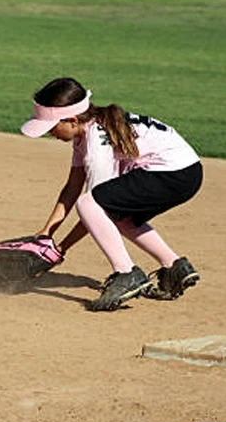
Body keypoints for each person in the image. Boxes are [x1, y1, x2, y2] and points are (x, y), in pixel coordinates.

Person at [20, 77, 203, 311]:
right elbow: (72, 186)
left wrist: (60, 249)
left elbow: (95, 208)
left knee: (91, 204)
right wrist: (47, 233)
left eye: (52, 127)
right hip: (184, 171)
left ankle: (126, 273)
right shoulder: (85, 133)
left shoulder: (97, 145)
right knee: (119, 214)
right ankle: (175, 267)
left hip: (171, 173)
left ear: (73, 120)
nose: (50, 133)